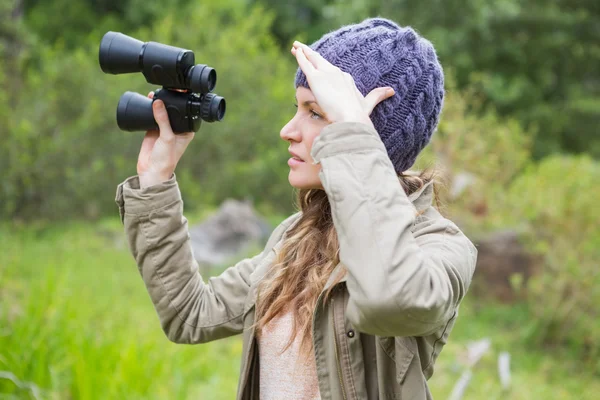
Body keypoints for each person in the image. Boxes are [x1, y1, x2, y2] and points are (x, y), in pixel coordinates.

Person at [115, 17, 478, 400]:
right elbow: (190, 314)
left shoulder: (442, 246)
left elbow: (389, 299)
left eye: (316, 113)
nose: (288, 130)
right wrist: (156, 180)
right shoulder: (295, 237)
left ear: (368, 132)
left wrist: (352, 136)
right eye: (298, 108)